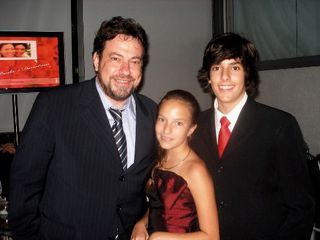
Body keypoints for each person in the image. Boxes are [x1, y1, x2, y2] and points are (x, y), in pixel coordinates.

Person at [9, 16, 157, 240]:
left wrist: (144, 220)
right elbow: (24, 182)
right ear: (96, 60)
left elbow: (154, 187)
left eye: (135, 61)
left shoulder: (152, 113)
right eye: (116, 58)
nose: (126, 71)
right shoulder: (55, 106)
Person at [191, 32, 315, 240]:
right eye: (216, 68)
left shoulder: (279, 126)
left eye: (234, 67)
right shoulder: (195, 127)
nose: (224, 77)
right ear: (208, 77)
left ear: (247, 73)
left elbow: (301, 208)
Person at [131, 89, 219, 240]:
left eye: (178, 123)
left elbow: (212, 236)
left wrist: (160, 237)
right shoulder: (159, 159)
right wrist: (142, 223)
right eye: (162, 119)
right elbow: (159, 206)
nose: (166, 129)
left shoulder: (195, 171)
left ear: (191, 129)